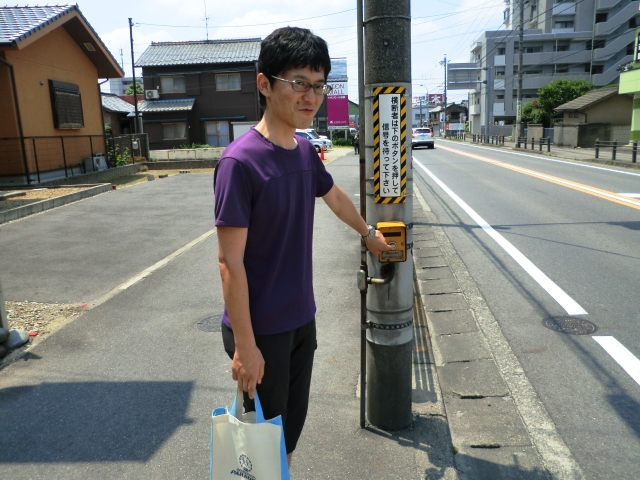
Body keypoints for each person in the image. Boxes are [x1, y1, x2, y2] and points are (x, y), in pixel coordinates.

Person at [213, 26, 391, 466]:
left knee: (287, 436)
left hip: (299, 319)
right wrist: (246, 347)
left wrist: (368, 233)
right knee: (262, 446)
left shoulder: (304, 152)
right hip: (261, 329)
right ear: (264, 84)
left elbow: (334, 196)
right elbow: (229, 262)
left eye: (318, 85)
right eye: (298, 83)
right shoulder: (240, 162)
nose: (310, 96)